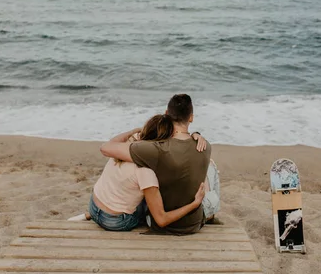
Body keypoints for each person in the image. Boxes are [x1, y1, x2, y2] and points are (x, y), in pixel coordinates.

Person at [101, 94, 219, 234]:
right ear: (191, 118)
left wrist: (133, 131)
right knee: (210, 167)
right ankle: (212, 214)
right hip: (195, 223)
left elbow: (106, 148)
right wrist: (196, 134)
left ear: (167, 114)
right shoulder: (206, 147)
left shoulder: (155, 149)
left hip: (162, 223)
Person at [69, 114, 206, 231]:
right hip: (115, 221)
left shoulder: (126, 146)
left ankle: (89, 215)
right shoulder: (146, 171)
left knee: (141, 191)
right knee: (153, 202)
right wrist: (194, 204)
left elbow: (109, 144)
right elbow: (161, 220)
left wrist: (133, 131)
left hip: (94, 205)